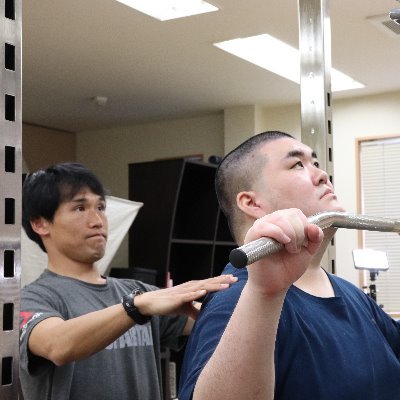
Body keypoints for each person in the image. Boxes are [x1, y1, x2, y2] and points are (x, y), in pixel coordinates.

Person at [179, 131, 400, 400]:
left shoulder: (349, 293)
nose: (322, 175)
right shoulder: (236, 301)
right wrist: (265, 293)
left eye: (316, 163)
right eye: (297, 165)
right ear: (251, 202)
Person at [19, 162, 237, 400]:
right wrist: (135, 307)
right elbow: (57, 345)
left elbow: (224, 323)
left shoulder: (138, 292)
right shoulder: (33, 299)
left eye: (101, 207)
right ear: (40, 223)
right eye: (80, 208)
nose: (98, 220)